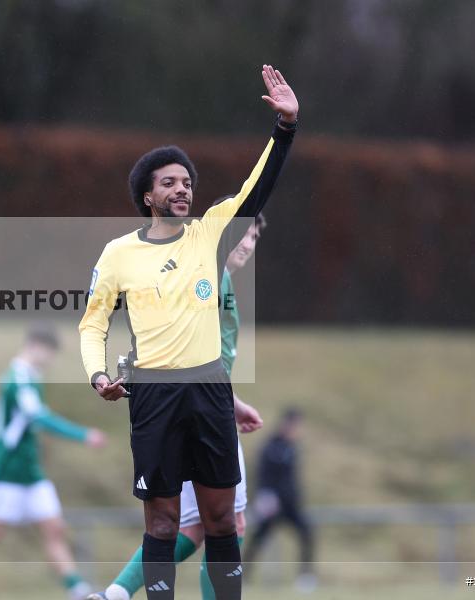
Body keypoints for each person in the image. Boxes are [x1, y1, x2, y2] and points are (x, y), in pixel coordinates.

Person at [79, 65, 298, 600]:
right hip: (152, 394)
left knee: (223, 521)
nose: (182, 189)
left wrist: (285, 128)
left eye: (187, 182)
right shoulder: (117, 255)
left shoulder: (208, 235)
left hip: (208, 393)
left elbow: (255, 189)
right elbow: (92, 323)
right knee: (162, 524)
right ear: (148, 197)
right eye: (169, 183)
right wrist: (98, 374)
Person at [88, 216, 268, 600]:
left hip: (206, 406)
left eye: (254, 237)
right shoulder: (205, 276)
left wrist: (232, 403)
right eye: (242, 236)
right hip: (198, 414)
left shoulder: (223, 282)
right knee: (224, 523)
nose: (248, 245)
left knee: (192, 526)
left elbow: (206, 359)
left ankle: (116, 594)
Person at [0, 323, 106, 600]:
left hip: (31, 472)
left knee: (54, 529)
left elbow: (5, 427)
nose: (50, 360)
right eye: (50, 353)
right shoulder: (17, 379)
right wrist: (83, 435)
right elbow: (35, 418)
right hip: (10, 472)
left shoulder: (29, 378)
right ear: (36, 347)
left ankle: (77, 589)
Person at [243, 408, 316, 591]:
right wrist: (264, 496)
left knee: (307, 533)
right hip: (273, 505)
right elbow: (263, 475)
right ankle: (243, 577)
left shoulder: (292, 447)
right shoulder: (271, 446)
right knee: (258, 538)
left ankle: (305, 576)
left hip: (290, 505)